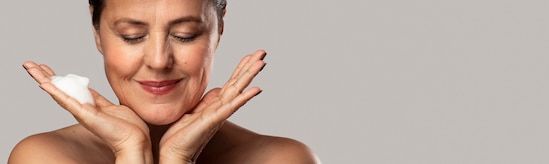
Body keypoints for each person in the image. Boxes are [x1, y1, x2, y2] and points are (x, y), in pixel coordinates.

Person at [9, 0, 319, 163]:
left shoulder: (283, 161)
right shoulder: (44, 158)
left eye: (185, 35)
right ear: (97, 32)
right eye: (133, 36)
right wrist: (131, 152)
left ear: (218, 29)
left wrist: (178, 159)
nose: (159, 60)